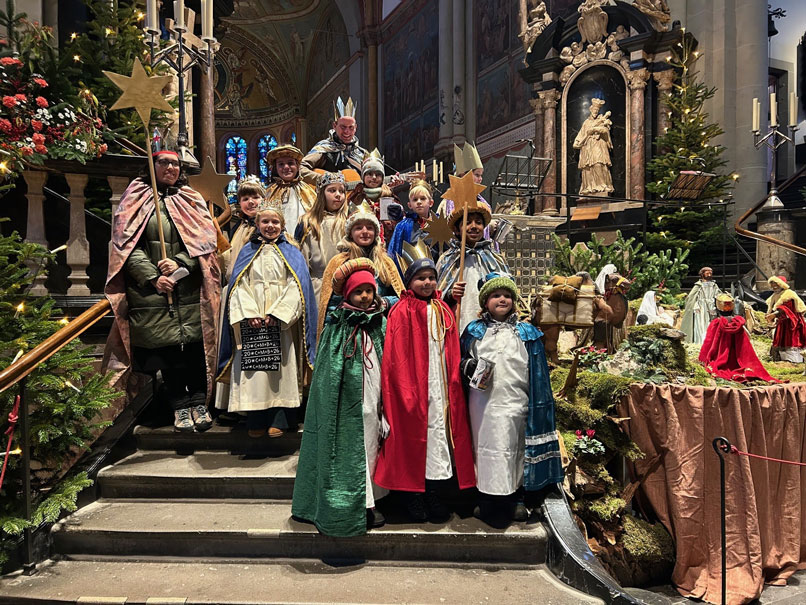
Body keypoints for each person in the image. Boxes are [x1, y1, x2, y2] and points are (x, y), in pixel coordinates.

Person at [104, 149, 221, 432]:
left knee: (194, 348)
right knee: (167, 352)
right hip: (153, 293)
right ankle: (180, 406)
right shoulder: (135, 198)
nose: (170, 167)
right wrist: (154, 277)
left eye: (175, 164)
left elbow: (205, 245)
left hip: (189, 288)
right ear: (152, 165)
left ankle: (198, 402)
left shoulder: (190, 199)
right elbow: (126, 247)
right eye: (164, 162)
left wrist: (180, 261)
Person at [374, 241, 476, 522]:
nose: (427, 282)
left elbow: (450, 349)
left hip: (440, 390)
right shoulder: (400, 311)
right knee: (410, 440)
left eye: (431, 277)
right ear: (410, 281)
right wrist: (400, 390)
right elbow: (395, 357)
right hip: (411, 390)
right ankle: (413, 497)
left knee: (436, 441)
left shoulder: (443, 309)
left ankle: (433, 493)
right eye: (421, 278)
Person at [292, 258, 388, 536]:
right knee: (351, 450)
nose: (365, 297)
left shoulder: (379, 322)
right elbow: (327, 372)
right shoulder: (336, 324)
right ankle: (360, 506)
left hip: (374, 399)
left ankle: (373, 499)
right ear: (348, 294)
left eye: (369, 291)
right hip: (346, 405)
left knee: (371, 450)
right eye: (359, 292)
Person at [461, 273, 563, 523]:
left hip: (516, 401)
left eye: (507, 295)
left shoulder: (526, 332)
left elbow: (538, 372)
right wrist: (468, 366)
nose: (502, 299)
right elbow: (459, 359)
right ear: (485, 301)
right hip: (482, 404)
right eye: (496, 295)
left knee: (514, 448)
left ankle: (516, 497)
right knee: (484, 449)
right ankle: (485, 498)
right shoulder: (474, 331)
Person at [216, 197, 317, 438]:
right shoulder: (246, 252)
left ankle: (281, 419)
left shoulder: (292, 253)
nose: (270, 226)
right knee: (255, 372)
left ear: (282, 225)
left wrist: (278, 314)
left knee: (281, 371)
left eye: (275, 222)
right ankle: (256, 420)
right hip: (253, 322)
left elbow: (297, 287)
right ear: (257, 223)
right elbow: (237, 286)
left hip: (281, 324)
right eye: (265, 221)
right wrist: (250, 313)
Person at [214, 176, 262, 417]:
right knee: (234, 348)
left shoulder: (265, 228)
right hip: (233, 293)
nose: (251, 202)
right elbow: (231, 261)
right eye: (245, 198)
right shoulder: (238, 227)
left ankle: (251, 404)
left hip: (253, 295)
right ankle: (232, 402)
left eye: (255, 197)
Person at [317, 205, 404, 337]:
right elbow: (330, 305)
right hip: (347, 331)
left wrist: (384, 302)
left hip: (379, 328)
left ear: (375, 232)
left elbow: (400, 298)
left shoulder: (386, 263)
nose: (364, 231)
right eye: (358, 228)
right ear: (350, 233)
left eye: (369, 228)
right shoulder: (338, 262)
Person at [436, 205, 510, 333]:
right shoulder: (447, 259)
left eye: (479, 222)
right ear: (457, 230)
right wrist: (450, 294)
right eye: (467, 222)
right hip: (458, 320)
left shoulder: (495, 258)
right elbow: (437, 295)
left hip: (490, 326)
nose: (474, 226)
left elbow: (508, 290)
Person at [294, 171, 349, 303]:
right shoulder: (308, 222)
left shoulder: (350, 221)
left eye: (341, 191)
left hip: (345, 284)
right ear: (321, 194)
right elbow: (301, 260)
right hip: (316, 285)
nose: (338, 195)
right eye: (332, 190)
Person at [699, 293, 778, 382]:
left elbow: (708, 342)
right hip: (737, 360)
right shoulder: (738, 324)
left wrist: (703, 358)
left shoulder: (716, 323)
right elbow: (745, 345)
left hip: (719, 359)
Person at [300, 96, 368, 186]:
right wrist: (324, 179)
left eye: (351, 127)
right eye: (343, 127)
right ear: (334, 125)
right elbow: (300, 168)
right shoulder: (323, 148)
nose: (347, 131)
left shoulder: (363, 154)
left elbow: (374, 180)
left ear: (356, 128)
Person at [436, 142, 494, 242]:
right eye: (477, 175)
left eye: (481, 175)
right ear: (463, 175)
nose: (480, 179)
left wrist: (491, 227)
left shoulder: (484, 203)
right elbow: (442, 231)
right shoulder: (447, 203)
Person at [347, 149, 404, 243]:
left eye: (378, 174)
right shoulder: (355, 198)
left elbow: (400, 227)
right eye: (369, 174)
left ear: (382, 177)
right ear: (363, 177)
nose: (374, 177)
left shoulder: (390, 197)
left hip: (387, 246)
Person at [264, 144, 316, 239]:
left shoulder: (308, 191)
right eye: (281, 164)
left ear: (297, 166)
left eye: (290, 163)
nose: (286, 167)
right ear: (275, 168)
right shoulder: (269, 192)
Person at [387, 179, 437, 274]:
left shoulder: (440, 224)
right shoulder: (402, 226)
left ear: (431, 203)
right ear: (409, 205)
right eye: (415, 199)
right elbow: (395, 253)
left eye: (423, 198)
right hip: (411, 274)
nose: (418, 202)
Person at [573, 98, 614, 196]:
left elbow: (605, 132)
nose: (595, 111)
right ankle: (589, 186)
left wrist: (596, 129)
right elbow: (580, 137)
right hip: (587, 147)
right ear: (591, 110)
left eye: (597, 110)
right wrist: (579, 141)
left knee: (598, 163)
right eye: (594, 110)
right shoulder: (586, 123)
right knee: (588, 168)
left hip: (599, 145)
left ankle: (602, 185)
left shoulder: (602, 120)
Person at [765, 276, 806, 363]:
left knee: (791, 340)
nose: (774, 286)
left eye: (775, 284)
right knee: (781, 339)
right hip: (782, 322)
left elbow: (787, 308)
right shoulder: (774, 296)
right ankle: (783, 359)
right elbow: (772, 308)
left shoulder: (789, 294)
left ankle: (795, 360)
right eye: (772, 284)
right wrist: (770, 316)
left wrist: (774, 315)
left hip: (791, 322)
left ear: (781, 284)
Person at [681, 267, 722, 344]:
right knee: (700, 324)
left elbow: (718, 294)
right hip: (701, 307)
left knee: (711, 323)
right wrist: (696, 306)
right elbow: (692, 297)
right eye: (707, 273)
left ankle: (711, 341)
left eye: (710, 273)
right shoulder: (698, 285)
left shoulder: (714, 285)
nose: (709, 275)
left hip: (711, 306)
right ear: (702, 274)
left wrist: (715, 305)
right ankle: (700, 341)